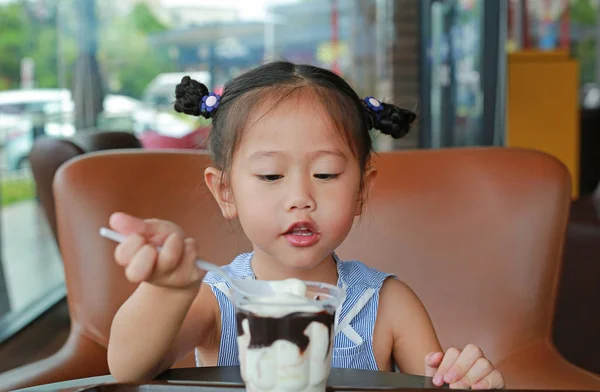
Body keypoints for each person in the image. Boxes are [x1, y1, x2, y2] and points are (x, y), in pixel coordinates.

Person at [107, 61, 505, 389]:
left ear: (362, 190)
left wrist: (465, 380)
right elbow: (128, 369)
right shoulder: (218, 301)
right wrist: (167, 291)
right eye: (270, 175)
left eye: (326, 174)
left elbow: (435, 383)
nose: (301, 197)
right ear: (225, 191)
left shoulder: (387, 304)